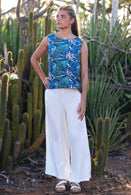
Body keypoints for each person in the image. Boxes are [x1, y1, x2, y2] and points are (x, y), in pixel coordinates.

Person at [31, 5, 91, 193]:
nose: (58, 19)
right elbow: (33, 59)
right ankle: (61, 177)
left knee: (77, 135)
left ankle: (77, 179)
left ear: (72, 20)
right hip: (53, 93)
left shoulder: (80, 43)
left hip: (74, 94)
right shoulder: (49, 40)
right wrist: (43, 78)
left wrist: (83, 100)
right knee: (57, 135)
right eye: (57, 16)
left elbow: (84, 75)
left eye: (62, 16)